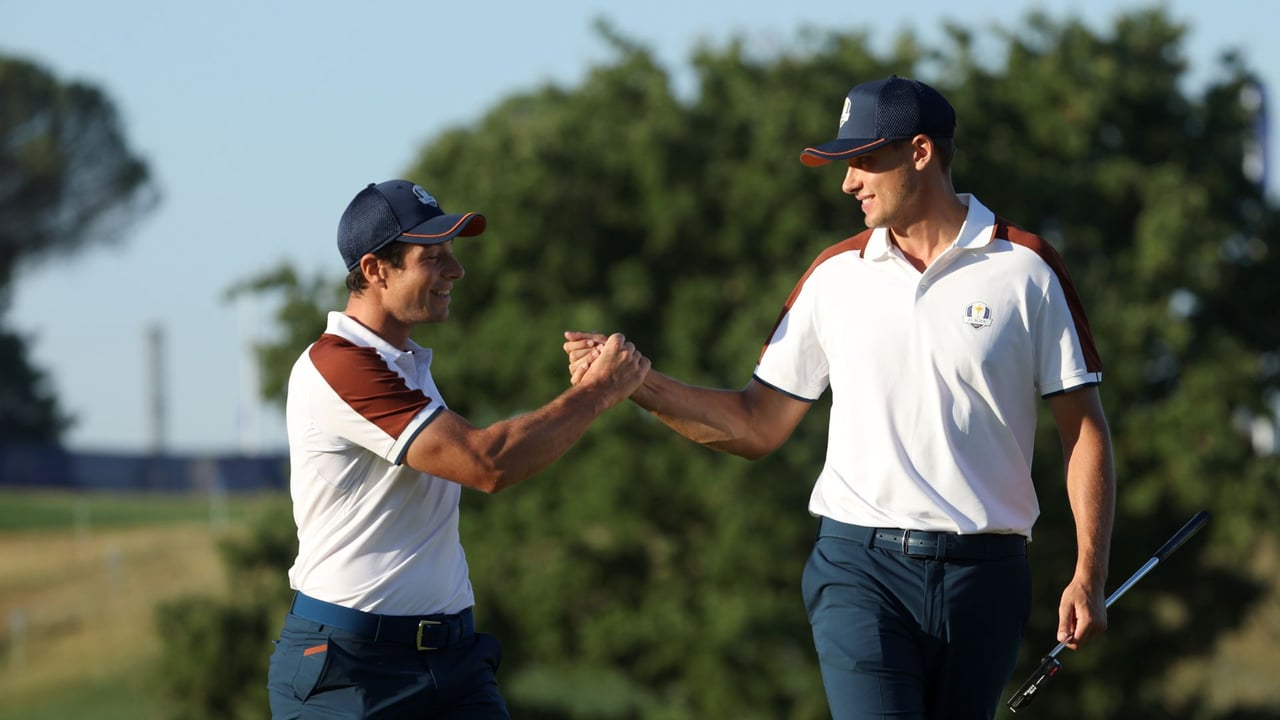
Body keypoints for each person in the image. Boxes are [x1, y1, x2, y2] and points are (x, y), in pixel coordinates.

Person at [564, 75, 1115, 719]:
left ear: (919, 152)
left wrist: (1089, 573)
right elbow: (756, 424)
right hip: (860, 569)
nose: (848, 181)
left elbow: (1084, 431)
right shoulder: (833, 276)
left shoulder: (1028, 268)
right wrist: (639, 383)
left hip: (987, 577)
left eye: (862, 160)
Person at [267, 179, 650, 719]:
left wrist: (591, 393)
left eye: (452, 253)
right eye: (433, 257)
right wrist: (596, 392)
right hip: (351, 670)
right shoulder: (339, 364)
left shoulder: (404, 364)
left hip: (452, 662)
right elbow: (486, 462)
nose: (456, 270)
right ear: (376, 270)